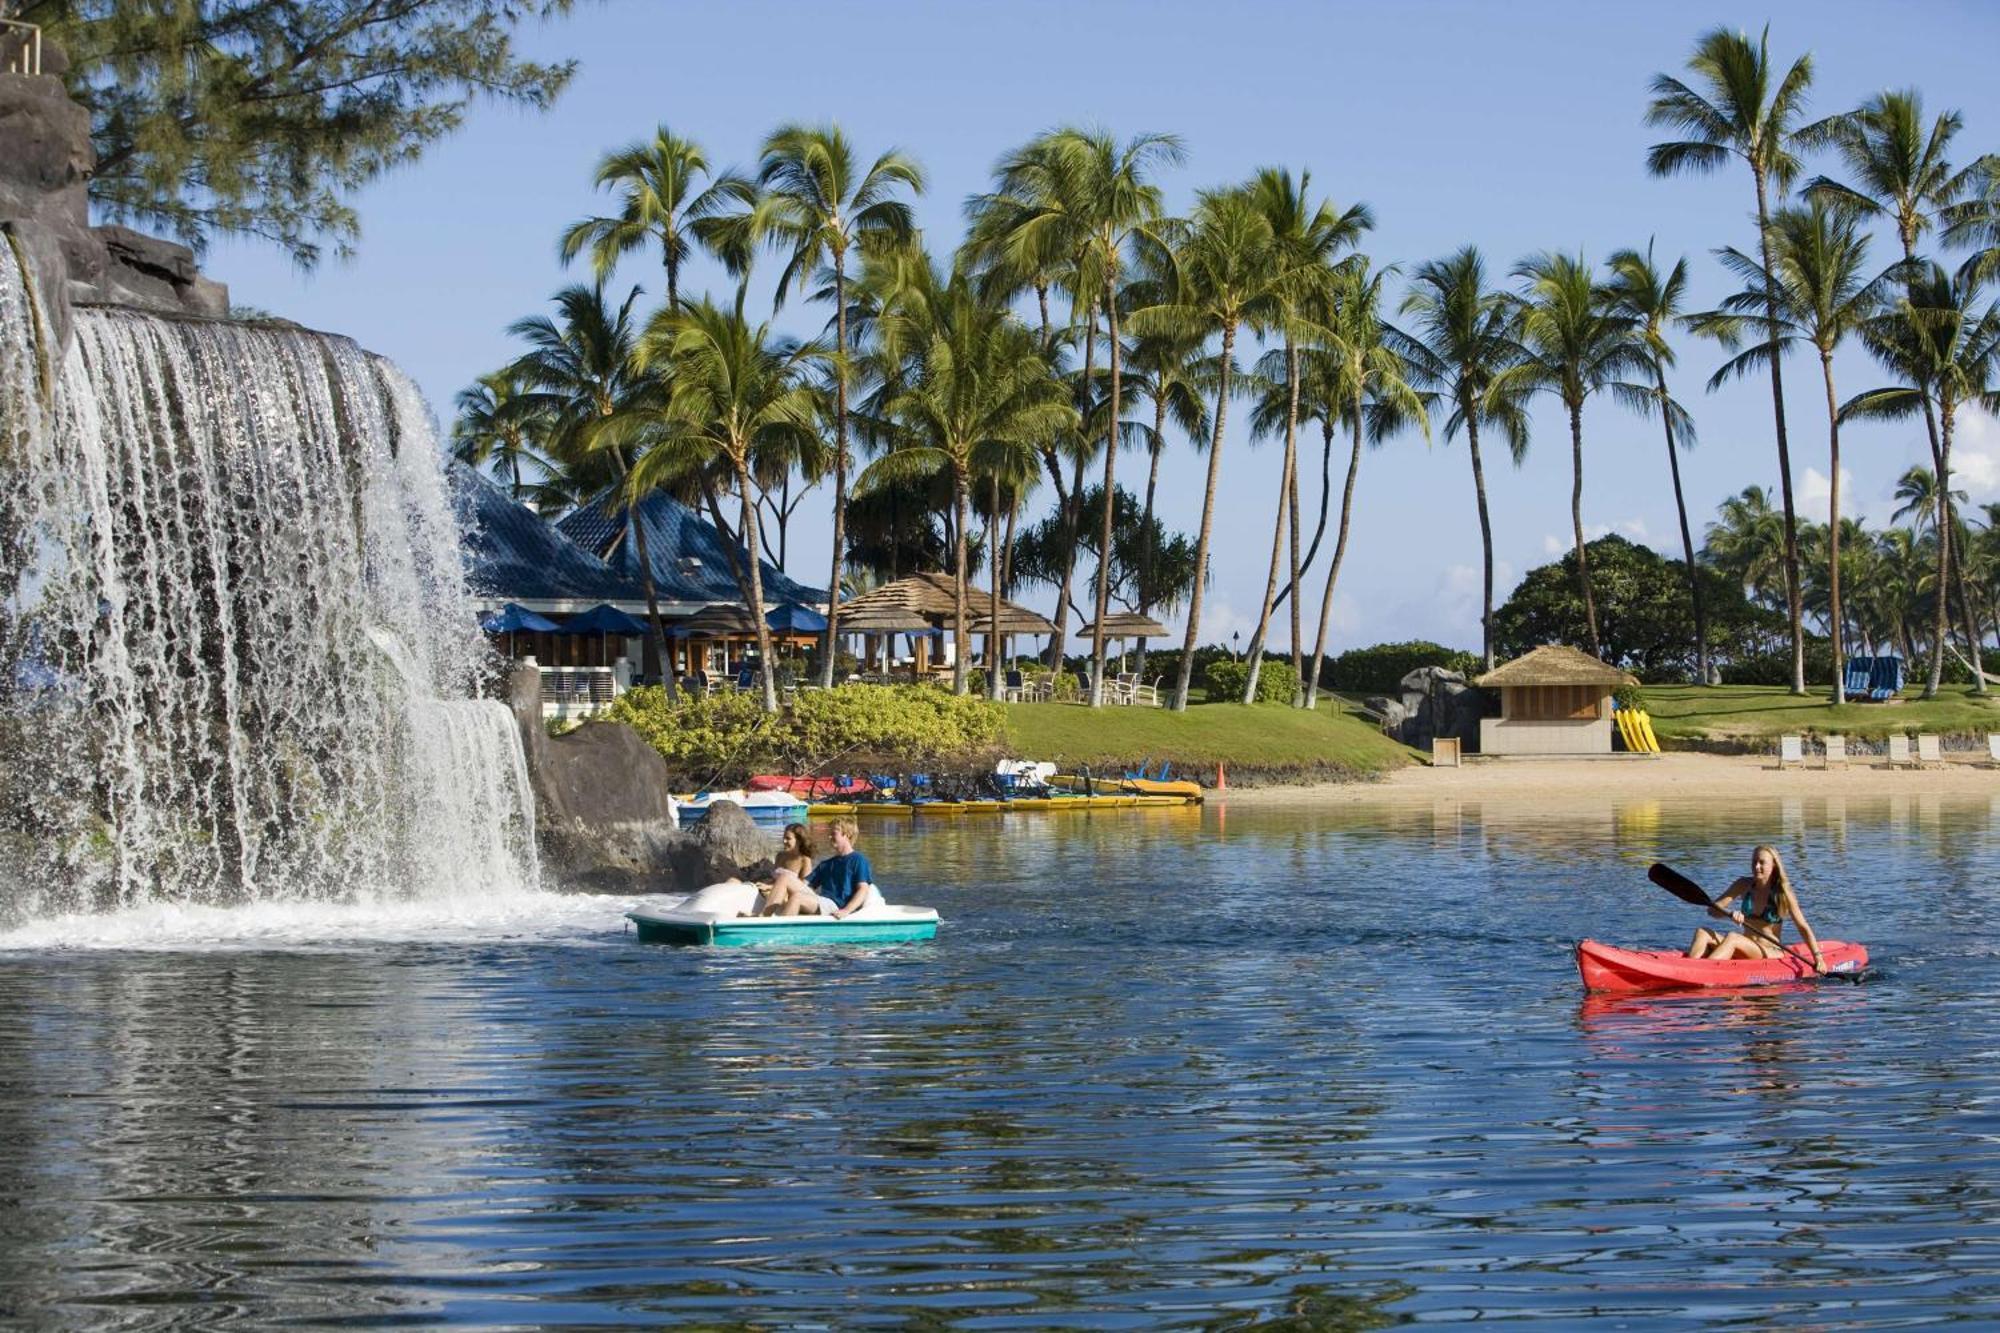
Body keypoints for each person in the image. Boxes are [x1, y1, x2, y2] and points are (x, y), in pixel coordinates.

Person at [1686, 844, 1826, 971]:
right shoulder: (1743, 885)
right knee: (1702, 932)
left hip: (1770, 951)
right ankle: (1689, 968)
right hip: (1745, 946)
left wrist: (1818, 957)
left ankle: (1703, 971)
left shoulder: (1783, 893)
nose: (1756, 866)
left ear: (1773, 866)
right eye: (1754, 862)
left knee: (1733, 937)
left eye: (1762, 863)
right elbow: (1712, 911)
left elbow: (1803, 927)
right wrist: (1729, 914)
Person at [748, 824, 815, 916]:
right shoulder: (780, 856)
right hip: (775, 892)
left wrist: (770, 887)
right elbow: (774, 879)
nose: (784, 841)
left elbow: (804, 887)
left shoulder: (805, 860)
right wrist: (765, 885)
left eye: (788, 838)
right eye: (783, 838)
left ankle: (764, 915)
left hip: (791, 897)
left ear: (798, 841)